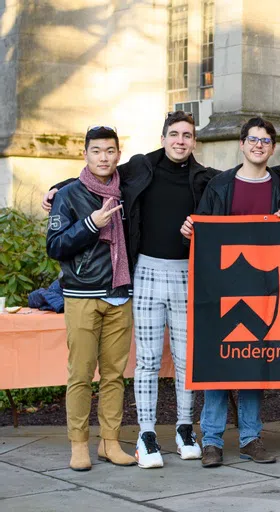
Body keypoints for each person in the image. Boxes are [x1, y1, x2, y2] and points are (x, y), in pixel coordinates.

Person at [43, 111, 280, 469]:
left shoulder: (205, 178)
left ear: (195, 141)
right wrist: (58, 185)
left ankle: (183, 429)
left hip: (186, 274)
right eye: (174, 134)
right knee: (145, 361)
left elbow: (248, 167)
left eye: (187, 135)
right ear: (163, 138)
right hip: (145, 270)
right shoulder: (140, 167)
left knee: (186, 359)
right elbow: (99, 175)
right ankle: (146, 433)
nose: (180, 140)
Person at [180, 116, 280, 468]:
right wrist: (190, 229)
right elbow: (202, 229)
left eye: (265, 141)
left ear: (272, 149)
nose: (258, 145)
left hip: (263, 289)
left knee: (252, 366)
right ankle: (211, 440)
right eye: (253, 139)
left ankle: (250, 438)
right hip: (223, 287)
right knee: (219, 364)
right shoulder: (220, 184)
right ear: (241, 144)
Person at [46, 126, 138, 471]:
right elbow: (54, 246)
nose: (104, 157)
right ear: (85, 154)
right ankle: (79, 444)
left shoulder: (127, 191)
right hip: (82, 295)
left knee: (114, 375)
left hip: (119, 293)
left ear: (118, 154)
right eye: (96, 151)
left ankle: (110, 443)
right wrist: (89, 224)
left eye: (110, 151)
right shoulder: (68, 195)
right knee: (81, 374)